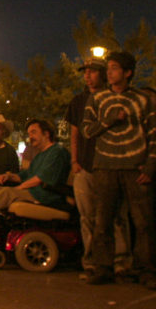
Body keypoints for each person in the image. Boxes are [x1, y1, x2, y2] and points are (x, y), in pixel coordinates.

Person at [81, 51, 156, 288]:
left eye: (114, 68)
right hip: (105, 166)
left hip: (135, 167)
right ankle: (103, 268)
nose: (109, 72)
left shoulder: (143, 100)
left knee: (143, 222)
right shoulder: (98, 99)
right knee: (103, 220)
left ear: (127, 73)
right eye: (109, 68)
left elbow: (153, 134)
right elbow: (86, 131)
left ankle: (146, 270)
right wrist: (109, 120)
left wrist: (151, 164)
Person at [68, 58, 132, 278]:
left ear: (103, 74)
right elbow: (75, 133)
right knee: (87, 217)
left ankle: (121, 261)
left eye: (93, 71)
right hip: (85, 166)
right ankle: (92, 261)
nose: (87, 75)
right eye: (85, 72)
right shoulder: (79, 101)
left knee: (116, 216)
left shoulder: (114, 99)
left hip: (109, 164)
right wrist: (74, 162)